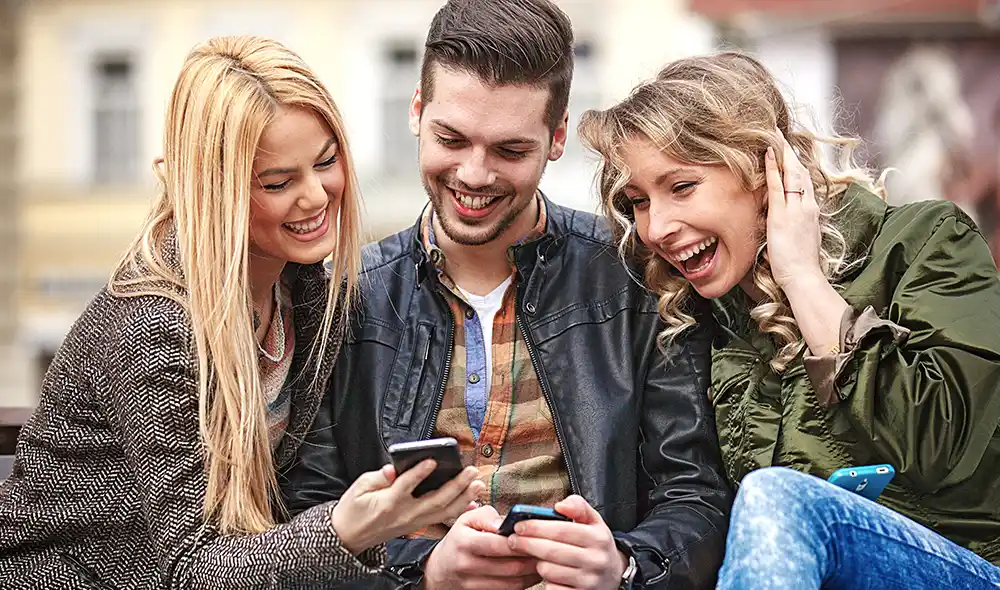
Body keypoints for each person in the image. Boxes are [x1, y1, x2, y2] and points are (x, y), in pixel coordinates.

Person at [0, 36, 483, 589]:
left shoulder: (308, 295)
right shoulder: (154, 328)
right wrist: (346, 530)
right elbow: (189, 567)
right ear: (213, 189)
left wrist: (407, 521)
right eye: (277, 182)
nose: (316, 197)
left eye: (326, 162)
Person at [281, 2, 733, 589]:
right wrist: (422, 575)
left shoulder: (638, 277)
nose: (474, 174)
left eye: (510, 151)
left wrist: (621, 567)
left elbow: (696, 492)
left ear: (558, 136)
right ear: (417, 112)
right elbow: (304, 515)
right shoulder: (339, 297)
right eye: (452, 138)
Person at [578, 51, 1000, 589]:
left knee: (776, 496)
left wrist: (802, 277)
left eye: (681, 187)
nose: (657, 227)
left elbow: (944, 443)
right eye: (639, 201)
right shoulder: (699, 323)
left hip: (963, 568)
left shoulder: (927, 242)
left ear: (763, 168)